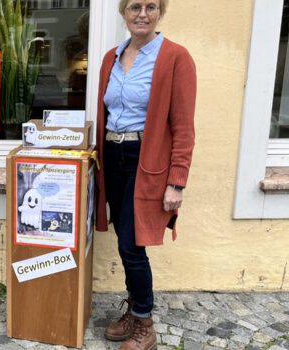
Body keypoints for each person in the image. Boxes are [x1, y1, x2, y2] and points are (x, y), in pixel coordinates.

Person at [94, 1, 196, 349]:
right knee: (126, 241)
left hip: (146, 160)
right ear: (123, 12)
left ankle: (144, 325)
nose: (142, 13)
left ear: (160, 12)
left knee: (131, 244)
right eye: (134, 6)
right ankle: (135, 309)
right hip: (112, 156)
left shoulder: (175, 58)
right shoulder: (111, 57)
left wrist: (177, 181)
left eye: (151, 6)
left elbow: (183, 127)